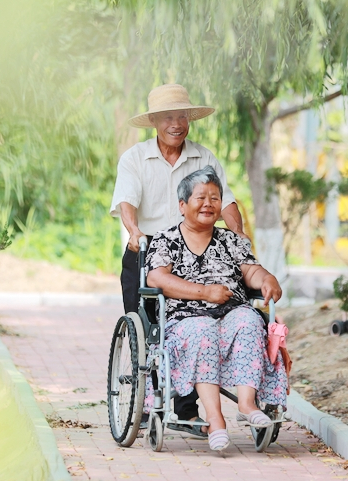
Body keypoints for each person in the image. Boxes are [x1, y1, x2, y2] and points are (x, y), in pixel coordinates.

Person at [110, 83, 247, 437]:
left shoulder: (204, 157)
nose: (176, 123)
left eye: (182, 116)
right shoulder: (135, 158)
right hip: (149, 248)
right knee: (151, 327)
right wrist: (134, 231)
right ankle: (148, 396)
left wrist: (238, 236)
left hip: (197, 247)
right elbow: (126, 201)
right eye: (168, 116)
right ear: (155, 120)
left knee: (197, 318)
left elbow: (226, 201)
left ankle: (186, 410)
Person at [145, 166, 288, 452]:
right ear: (182, 205)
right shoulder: (166, 239)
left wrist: (267, 279)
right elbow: (156, 278)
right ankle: (215, 419)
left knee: (250, 320)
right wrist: (204, 292)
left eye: (214, 198)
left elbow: (251, 272)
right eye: (201, 198)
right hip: (186, 319)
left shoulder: (230, 241)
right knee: (202, 329)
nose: (208, 204)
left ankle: (247, 404)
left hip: (232, 313)